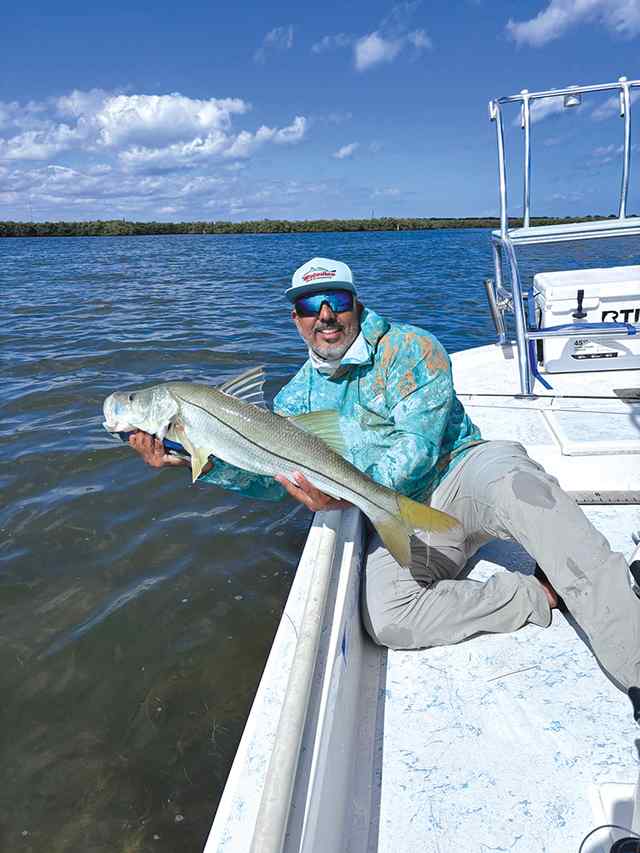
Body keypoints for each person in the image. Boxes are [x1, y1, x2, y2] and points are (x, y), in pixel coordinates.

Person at [129, 256, 640, 717]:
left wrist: (345, 493)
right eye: (309, 304)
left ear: (356, 304)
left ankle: (635, 661)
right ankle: (540, 593)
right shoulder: (293, 400)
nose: (324, 314)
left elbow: (419, 447)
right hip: (397, 512)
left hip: (464, 471)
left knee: (533, 497)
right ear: (296, 319)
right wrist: (202, 464)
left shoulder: (412, 347)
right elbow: (268, 481)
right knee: (388, 617)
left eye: (336, 300)